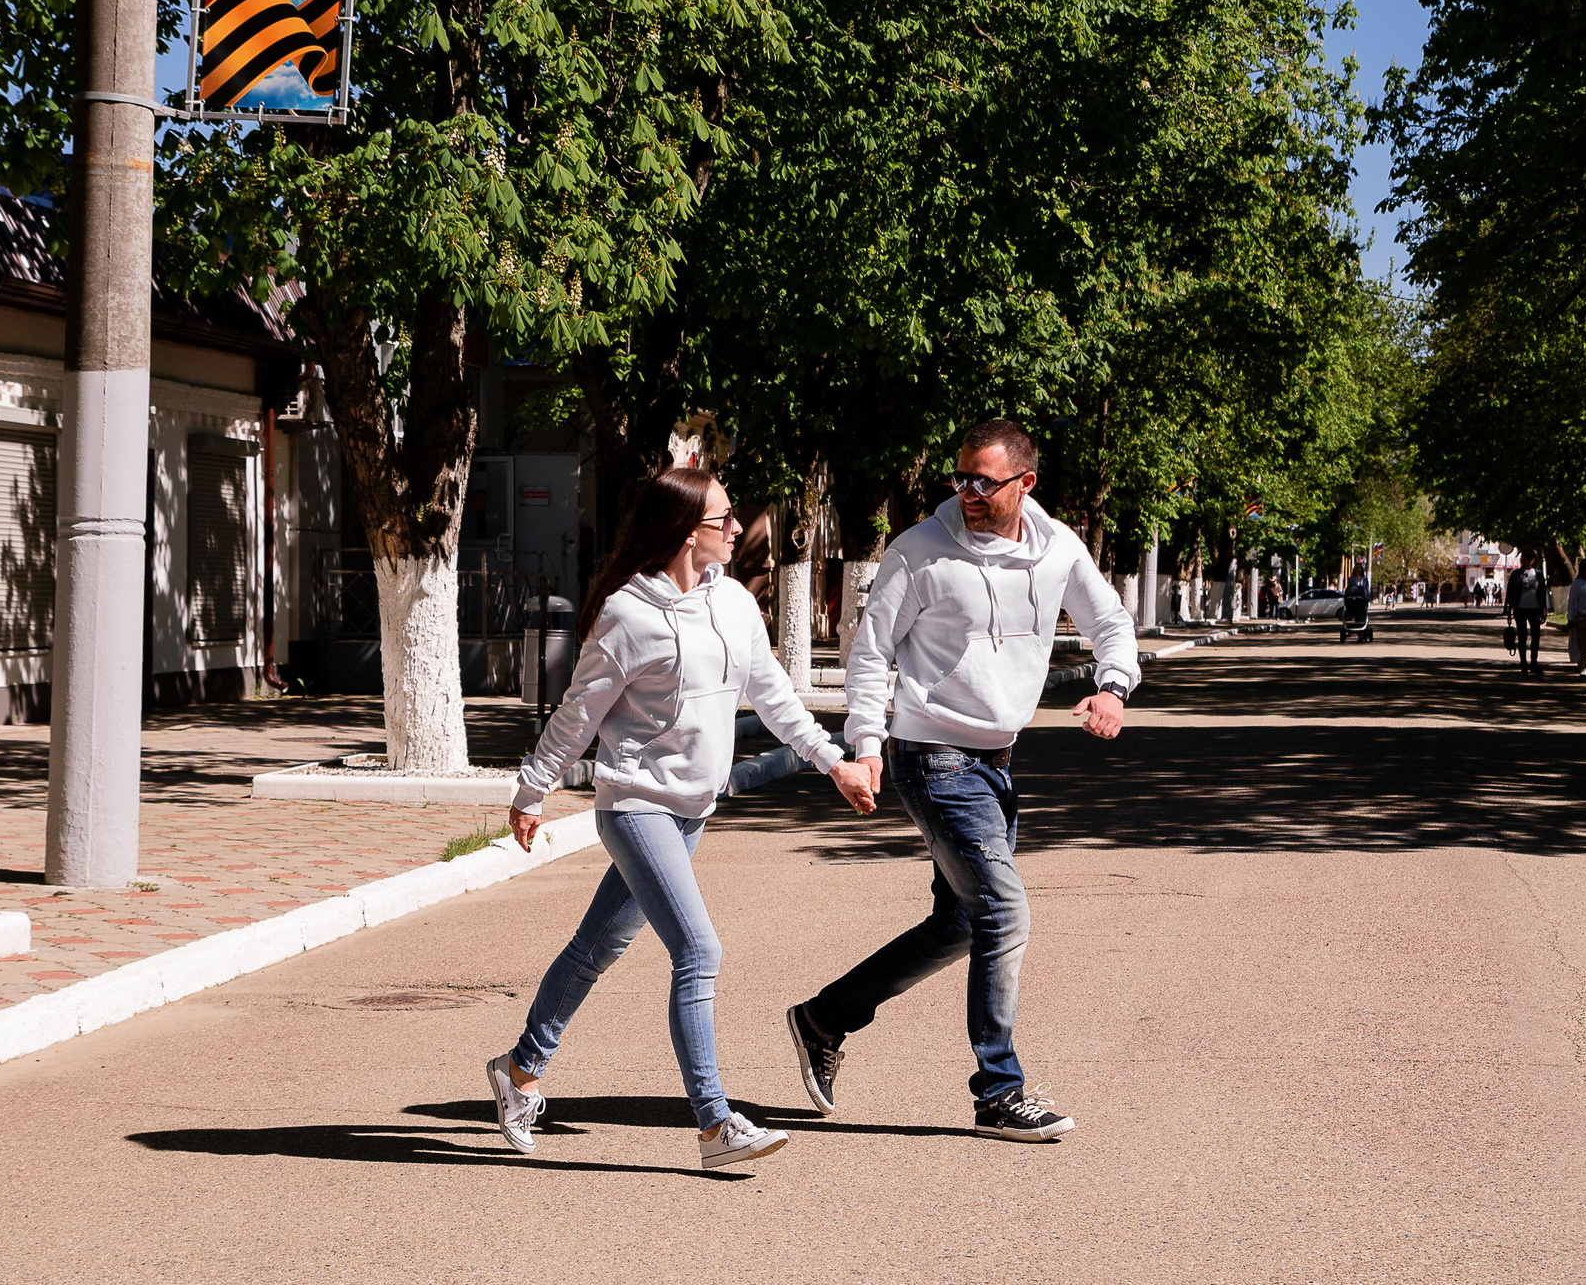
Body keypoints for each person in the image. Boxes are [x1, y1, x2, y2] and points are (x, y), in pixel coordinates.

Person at [486, 467, 881, 1171]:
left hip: (693, 807)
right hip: (635, 803)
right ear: (683, 530)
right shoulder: (628, 616)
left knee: (594, 949)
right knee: (699, 951)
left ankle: (518, 1069)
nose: (735, 528)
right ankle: (713, 1123)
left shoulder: (732, 602)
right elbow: (579, 714)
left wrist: (834, 761)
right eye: (722, 519)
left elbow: (775, 696)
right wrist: (532, 787)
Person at [785, 419, 1141, 1142]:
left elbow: (1111, 622)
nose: (969, 493)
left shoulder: (1058, 549)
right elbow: (870, 651)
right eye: (961, 478)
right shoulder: (921, 551)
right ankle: (998, 1090)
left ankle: (825, 1016)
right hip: (932, 756)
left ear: (1025, 483)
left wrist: (1113, 688)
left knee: (959, 924)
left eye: (986, 480)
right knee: (1005, 911)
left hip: (999, 760)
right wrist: (866, 742)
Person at [1504, 554, 1549, 672]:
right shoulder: (1516, 574)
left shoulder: (1538, 574)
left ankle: (1534, 662)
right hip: (1520, 608)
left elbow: (1542, 592)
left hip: (1535, 609)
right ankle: (1523, 663)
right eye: (1524, 557)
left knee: (1536, 636)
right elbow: (1511, 593)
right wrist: (1509, 611)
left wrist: (1544, 609)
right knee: (1522, 636)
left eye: (1529, 558)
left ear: (1533, 560)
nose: (1526, 560)